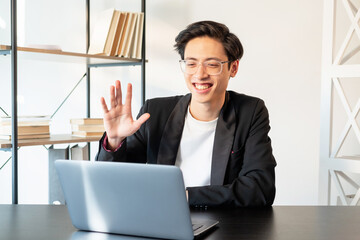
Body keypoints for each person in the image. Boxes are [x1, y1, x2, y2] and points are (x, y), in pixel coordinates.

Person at [96, 20, 276, 208]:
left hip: (224, 227)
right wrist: (114, 141)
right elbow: (112, 184)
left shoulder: (250, 111)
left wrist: (184, 196)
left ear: (233, 68)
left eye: (212, 64)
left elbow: (260, 189)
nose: (199, 74)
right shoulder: (155, 112)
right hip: (161, 222)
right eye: (191, 64)